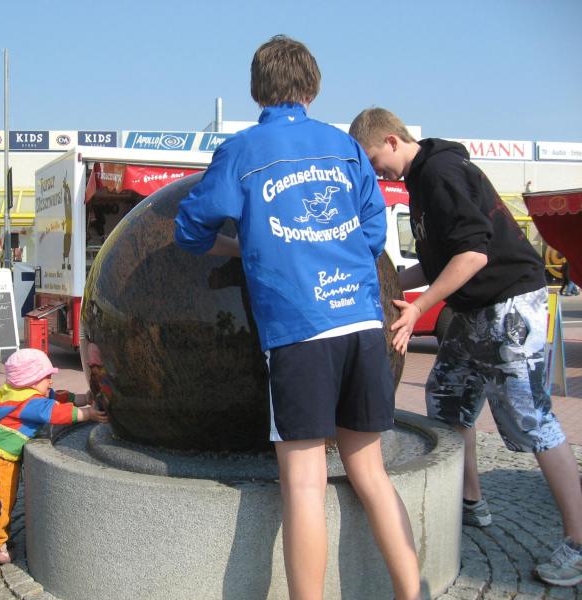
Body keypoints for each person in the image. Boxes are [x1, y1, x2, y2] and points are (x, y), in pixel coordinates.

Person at [174, 36, 421, 600]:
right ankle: (413, 592)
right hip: (361, 322)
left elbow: (189, 230)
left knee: (304, 484)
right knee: (371, 473)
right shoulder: (346, 147)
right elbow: (372, 235)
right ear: (312, 88)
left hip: (300, 331)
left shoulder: (242, 150)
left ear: (256, 90)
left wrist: (247, 247)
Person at [349, 107, 582, 587]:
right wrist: (380, 282)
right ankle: (470, 500)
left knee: (532, 419)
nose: (375, 172)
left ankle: (578, 541)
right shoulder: (420, 180)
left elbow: (473, 254)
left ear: (391, 140)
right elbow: (438, 262)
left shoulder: (440, 172)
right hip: (472, 310)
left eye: (373, 160)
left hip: (508, 305)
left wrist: (418, 307)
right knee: (448, 397)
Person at [0, 348, 108, 564]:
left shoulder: (15, 393)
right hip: (2, 460)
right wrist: (88, 413)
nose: (50, 380)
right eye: (46, 377)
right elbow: (55, 412)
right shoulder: (29, 403)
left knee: (1, 497)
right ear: (30, 381)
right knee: (2, 499)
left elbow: (56, 396)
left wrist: (82, 398)